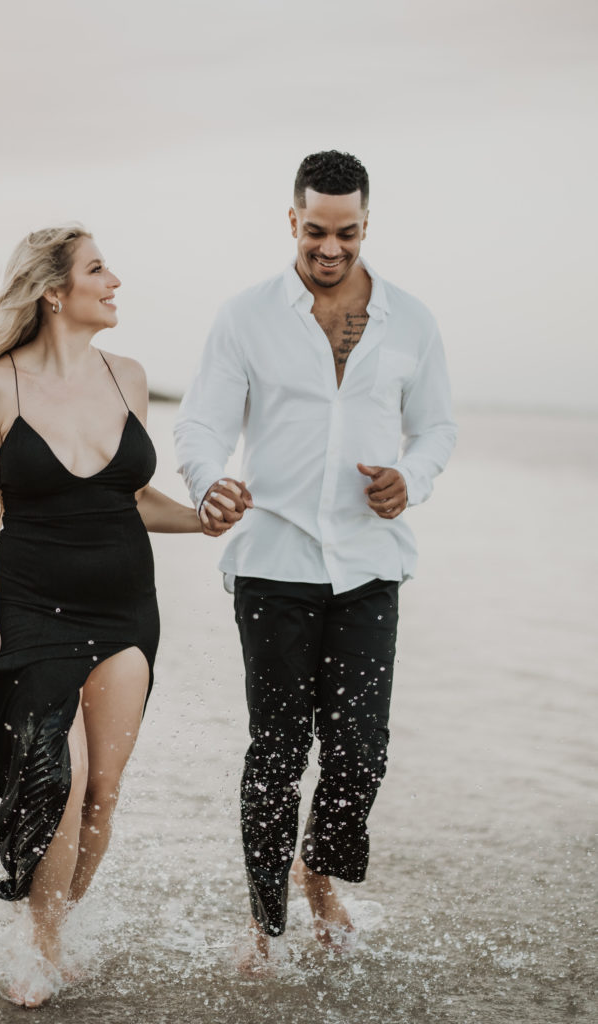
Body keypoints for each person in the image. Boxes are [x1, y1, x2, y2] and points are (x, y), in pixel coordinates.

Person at [0, 225, 239, 1006]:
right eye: (99, 269)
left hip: (127, 607)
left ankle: (56, 930)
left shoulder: (127, 377)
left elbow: (130, 496)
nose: (116, 281)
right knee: (49, 782)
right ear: (55, 291)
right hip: (31, 608)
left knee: (102, 787)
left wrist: (202, 517)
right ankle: (37, 944)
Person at [174, 150, 457, 972]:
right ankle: (265, 926)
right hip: (273, 562)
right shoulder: (245, 316)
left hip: (370, 564)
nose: (329, 249)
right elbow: (199, 425)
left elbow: (436, 427)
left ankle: (319, 874)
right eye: (313, 232)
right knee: (276, 749)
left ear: (366, 224)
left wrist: (415, 479)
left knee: (360, 748)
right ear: (288, 220)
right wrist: (208, 484)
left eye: (346, 233)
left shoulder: (411, 319)